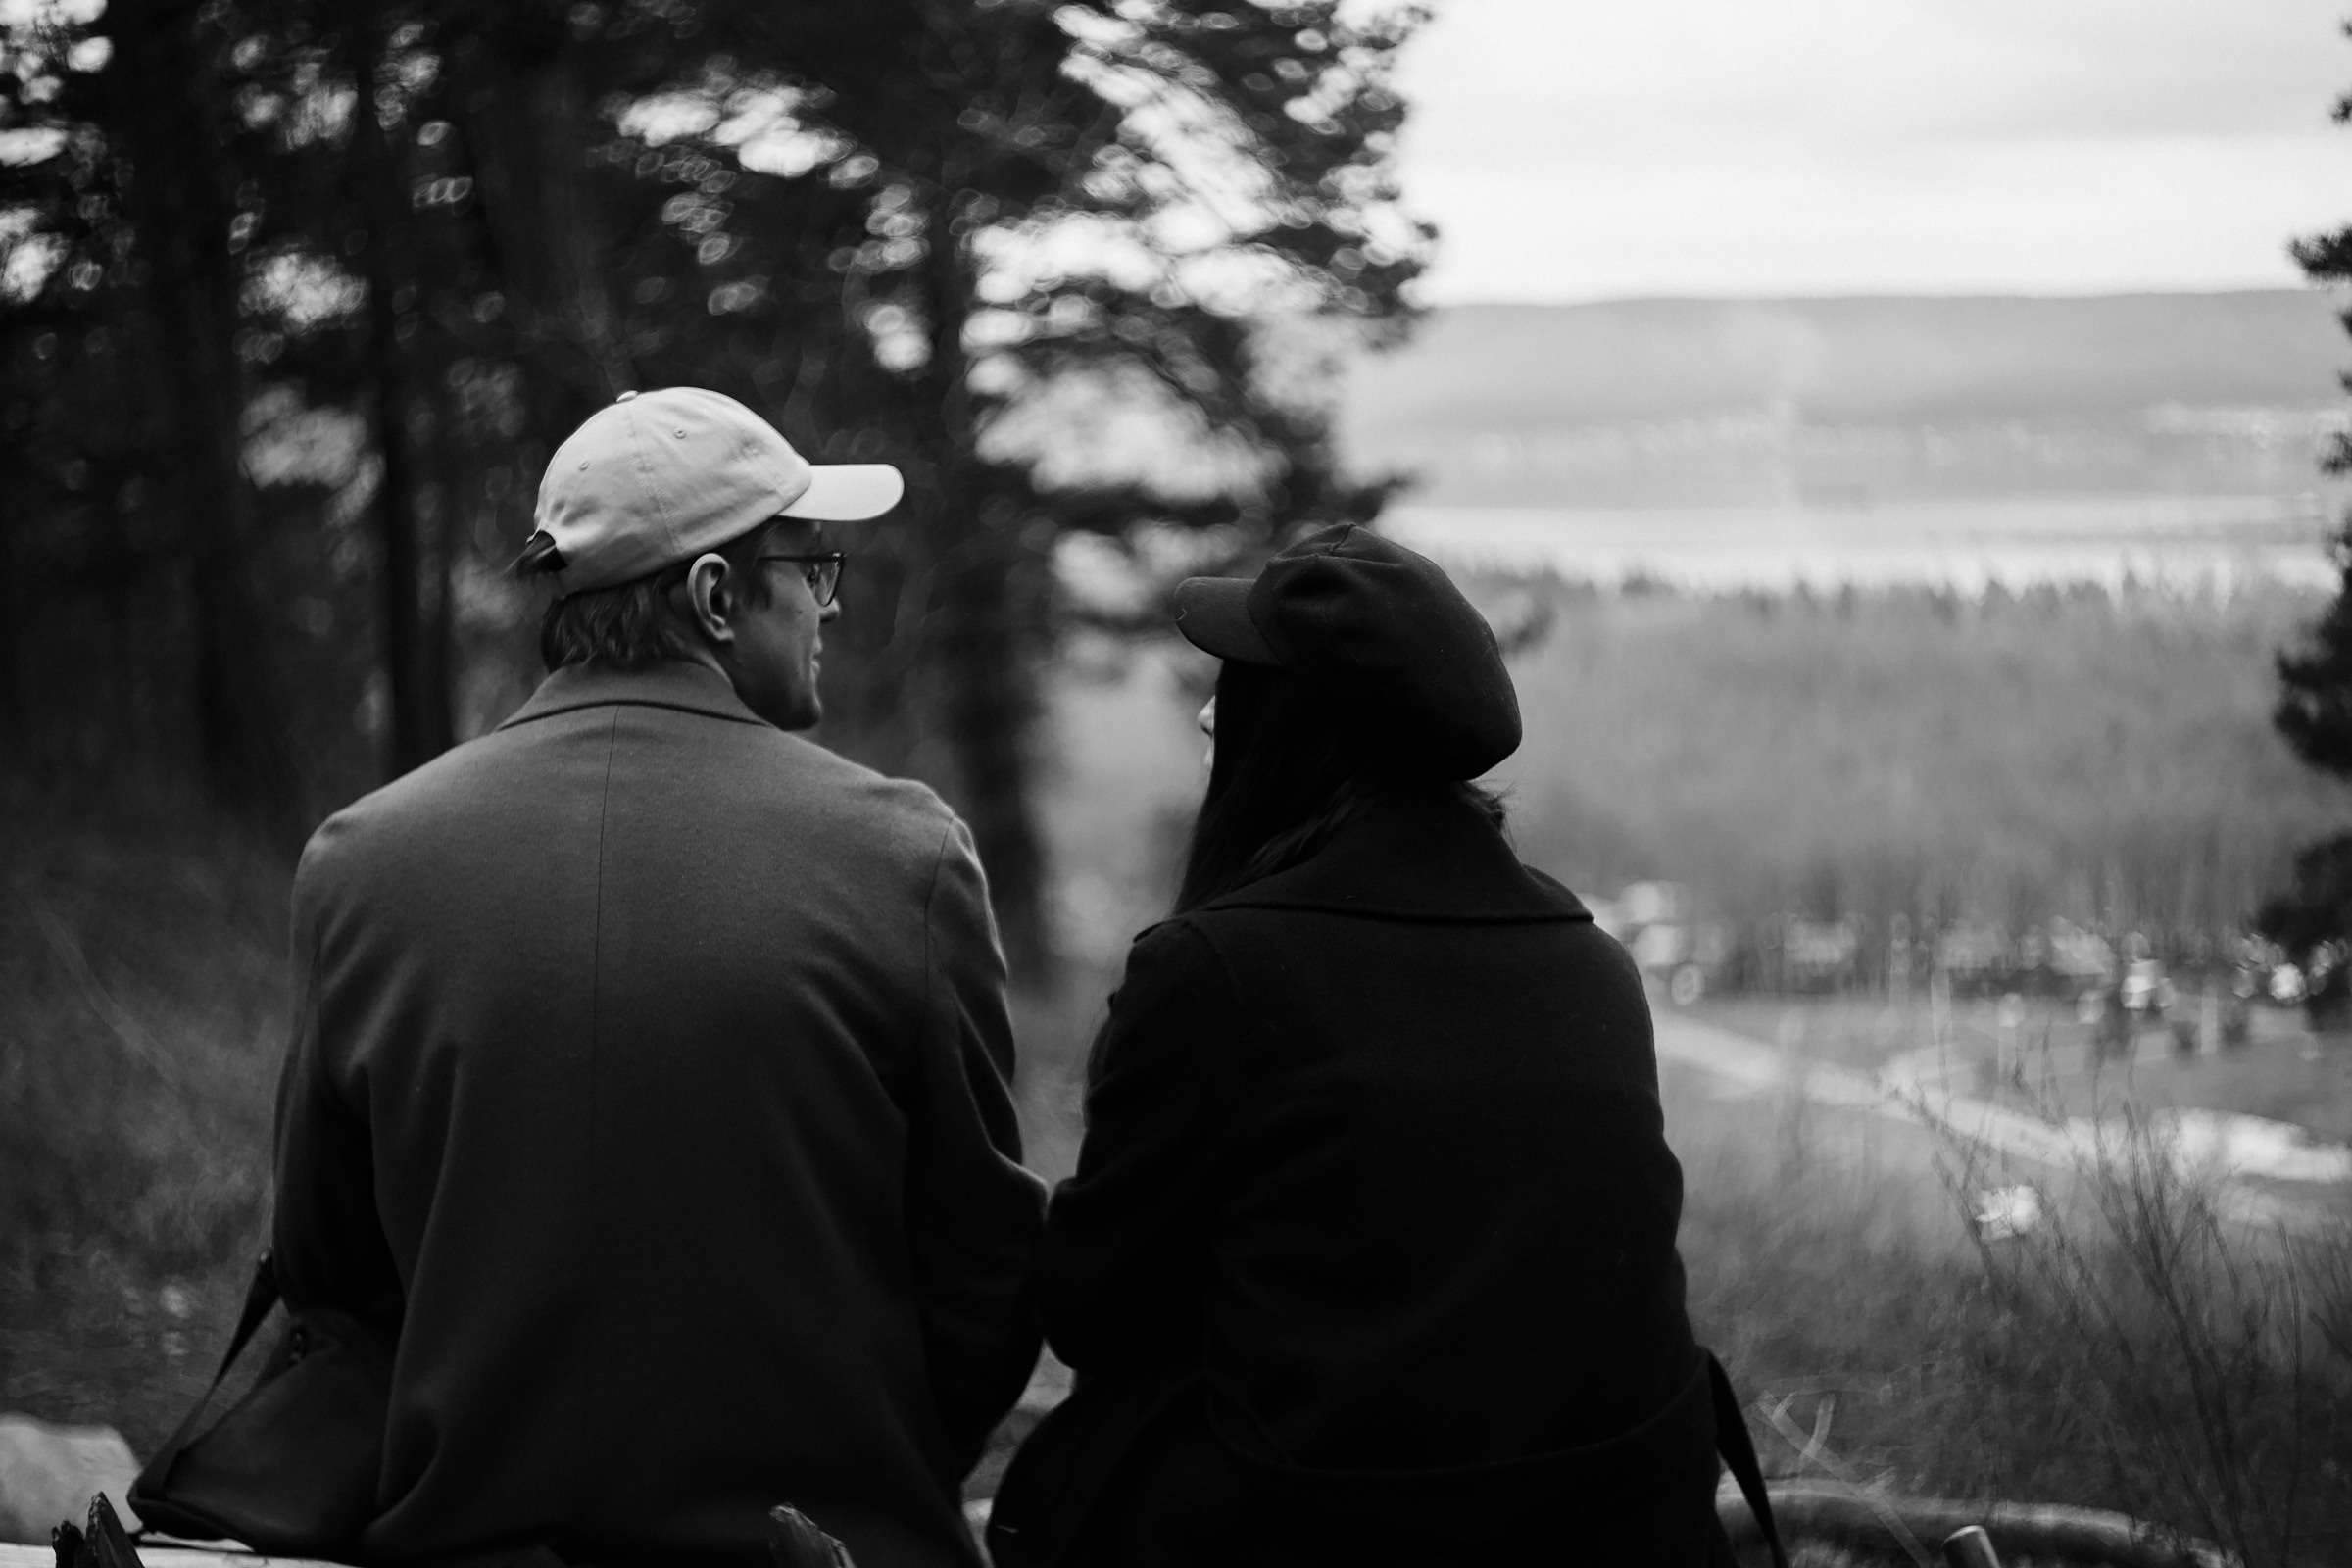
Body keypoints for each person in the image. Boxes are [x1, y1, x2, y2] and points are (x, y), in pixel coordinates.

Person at [270, 387, 1048, 1568]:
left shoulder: (360, 860)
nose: (831, 601)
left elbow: (328, 1272)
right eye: (814, 567)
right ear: (718, 598)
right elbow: (988, 1274)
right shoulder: (905, 856)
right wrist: (876, 1467)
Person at [989, 524, 1775, 1567]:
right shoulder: (1591, 963)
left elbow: (1092, 1309)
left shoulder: (1217, 970)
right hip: (1629, 1522)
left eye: (1233, 692)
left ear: (1296, 732)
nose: (1209, 715)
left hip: (1336, 1530)